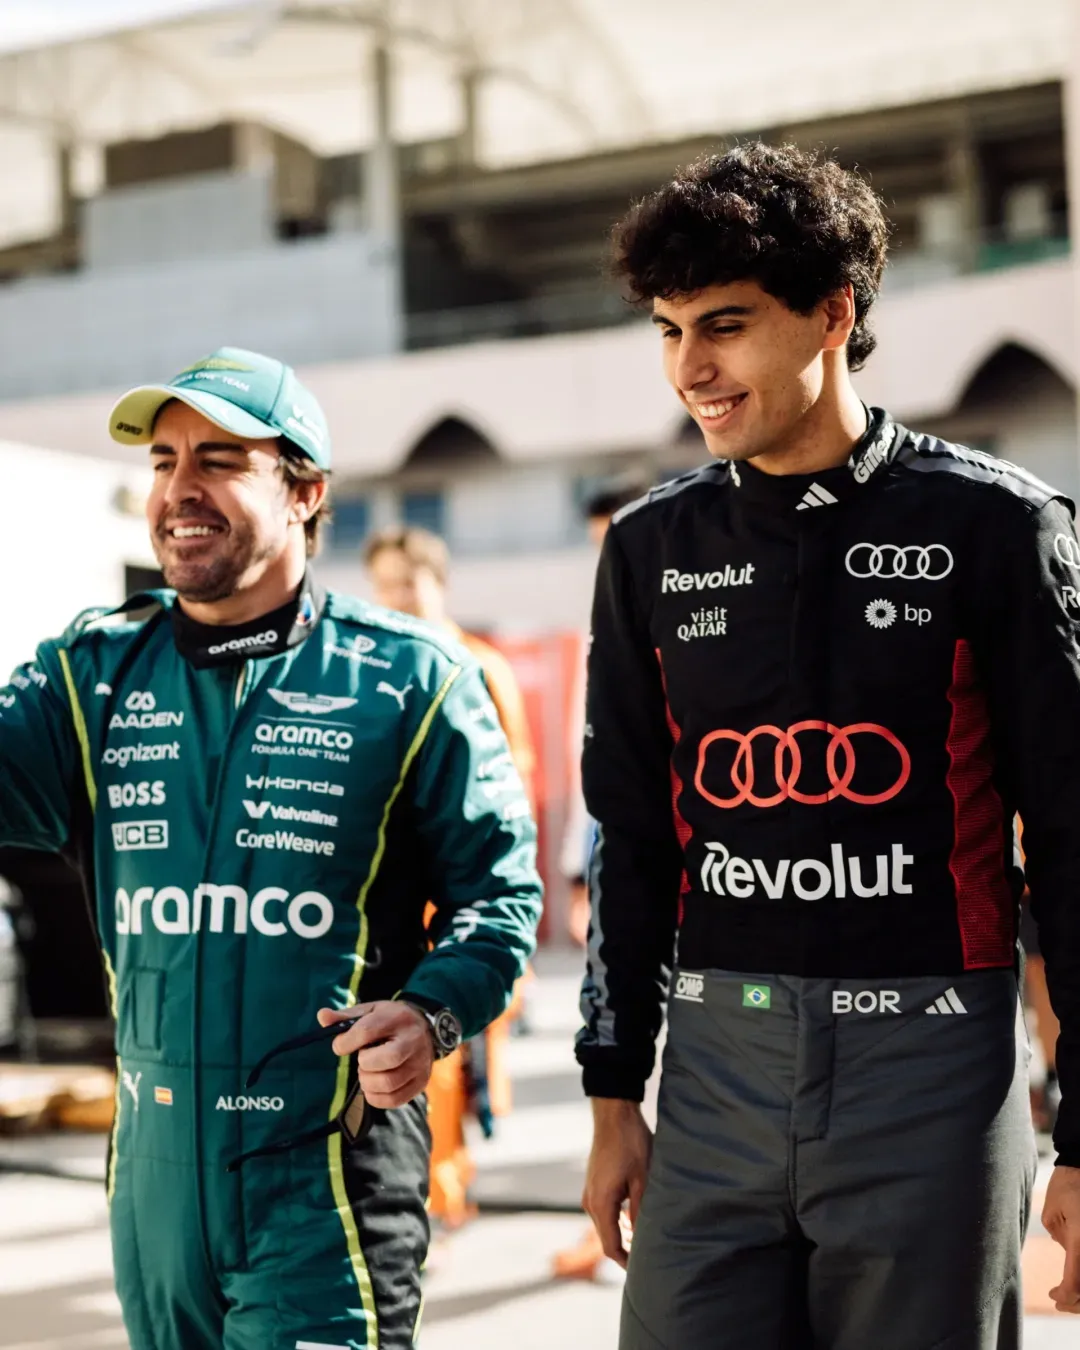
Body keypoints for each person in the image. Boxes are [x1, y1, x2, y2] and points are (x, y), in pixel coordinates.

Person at [575, 142, 1080, 1348]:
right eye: (666, 328)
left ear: (833, 315)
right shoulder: (647, 550)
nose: (690, 368)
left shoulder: (998, 526)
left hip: (936, 1073)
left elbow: (1072, 841)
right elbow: (632, 843)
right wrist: (610, 1095)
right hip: (713, 1073)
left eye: (726, 325)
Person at [0, 346, 542, 1349]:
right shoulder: (93, 675)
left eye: (219, 460)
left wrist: (431, 1011)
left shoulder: (412, 678)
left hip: (324, 1179)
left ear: (305, 492)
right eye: (163, 462)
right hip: (153, 1185)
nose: (179, 489)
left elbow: (500, 898)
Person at [363, 525, 536, 1228]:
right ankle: (429, 1190)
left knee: (455, 1060)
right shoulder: (376, 664)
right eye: (384, 587)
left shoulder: (478, 667)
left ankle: (442, 1192)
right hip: (398, 911)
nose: (397, 598)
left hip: (460, 909)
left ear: (439, 581)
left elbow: (513, 795)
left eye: (409, 583)